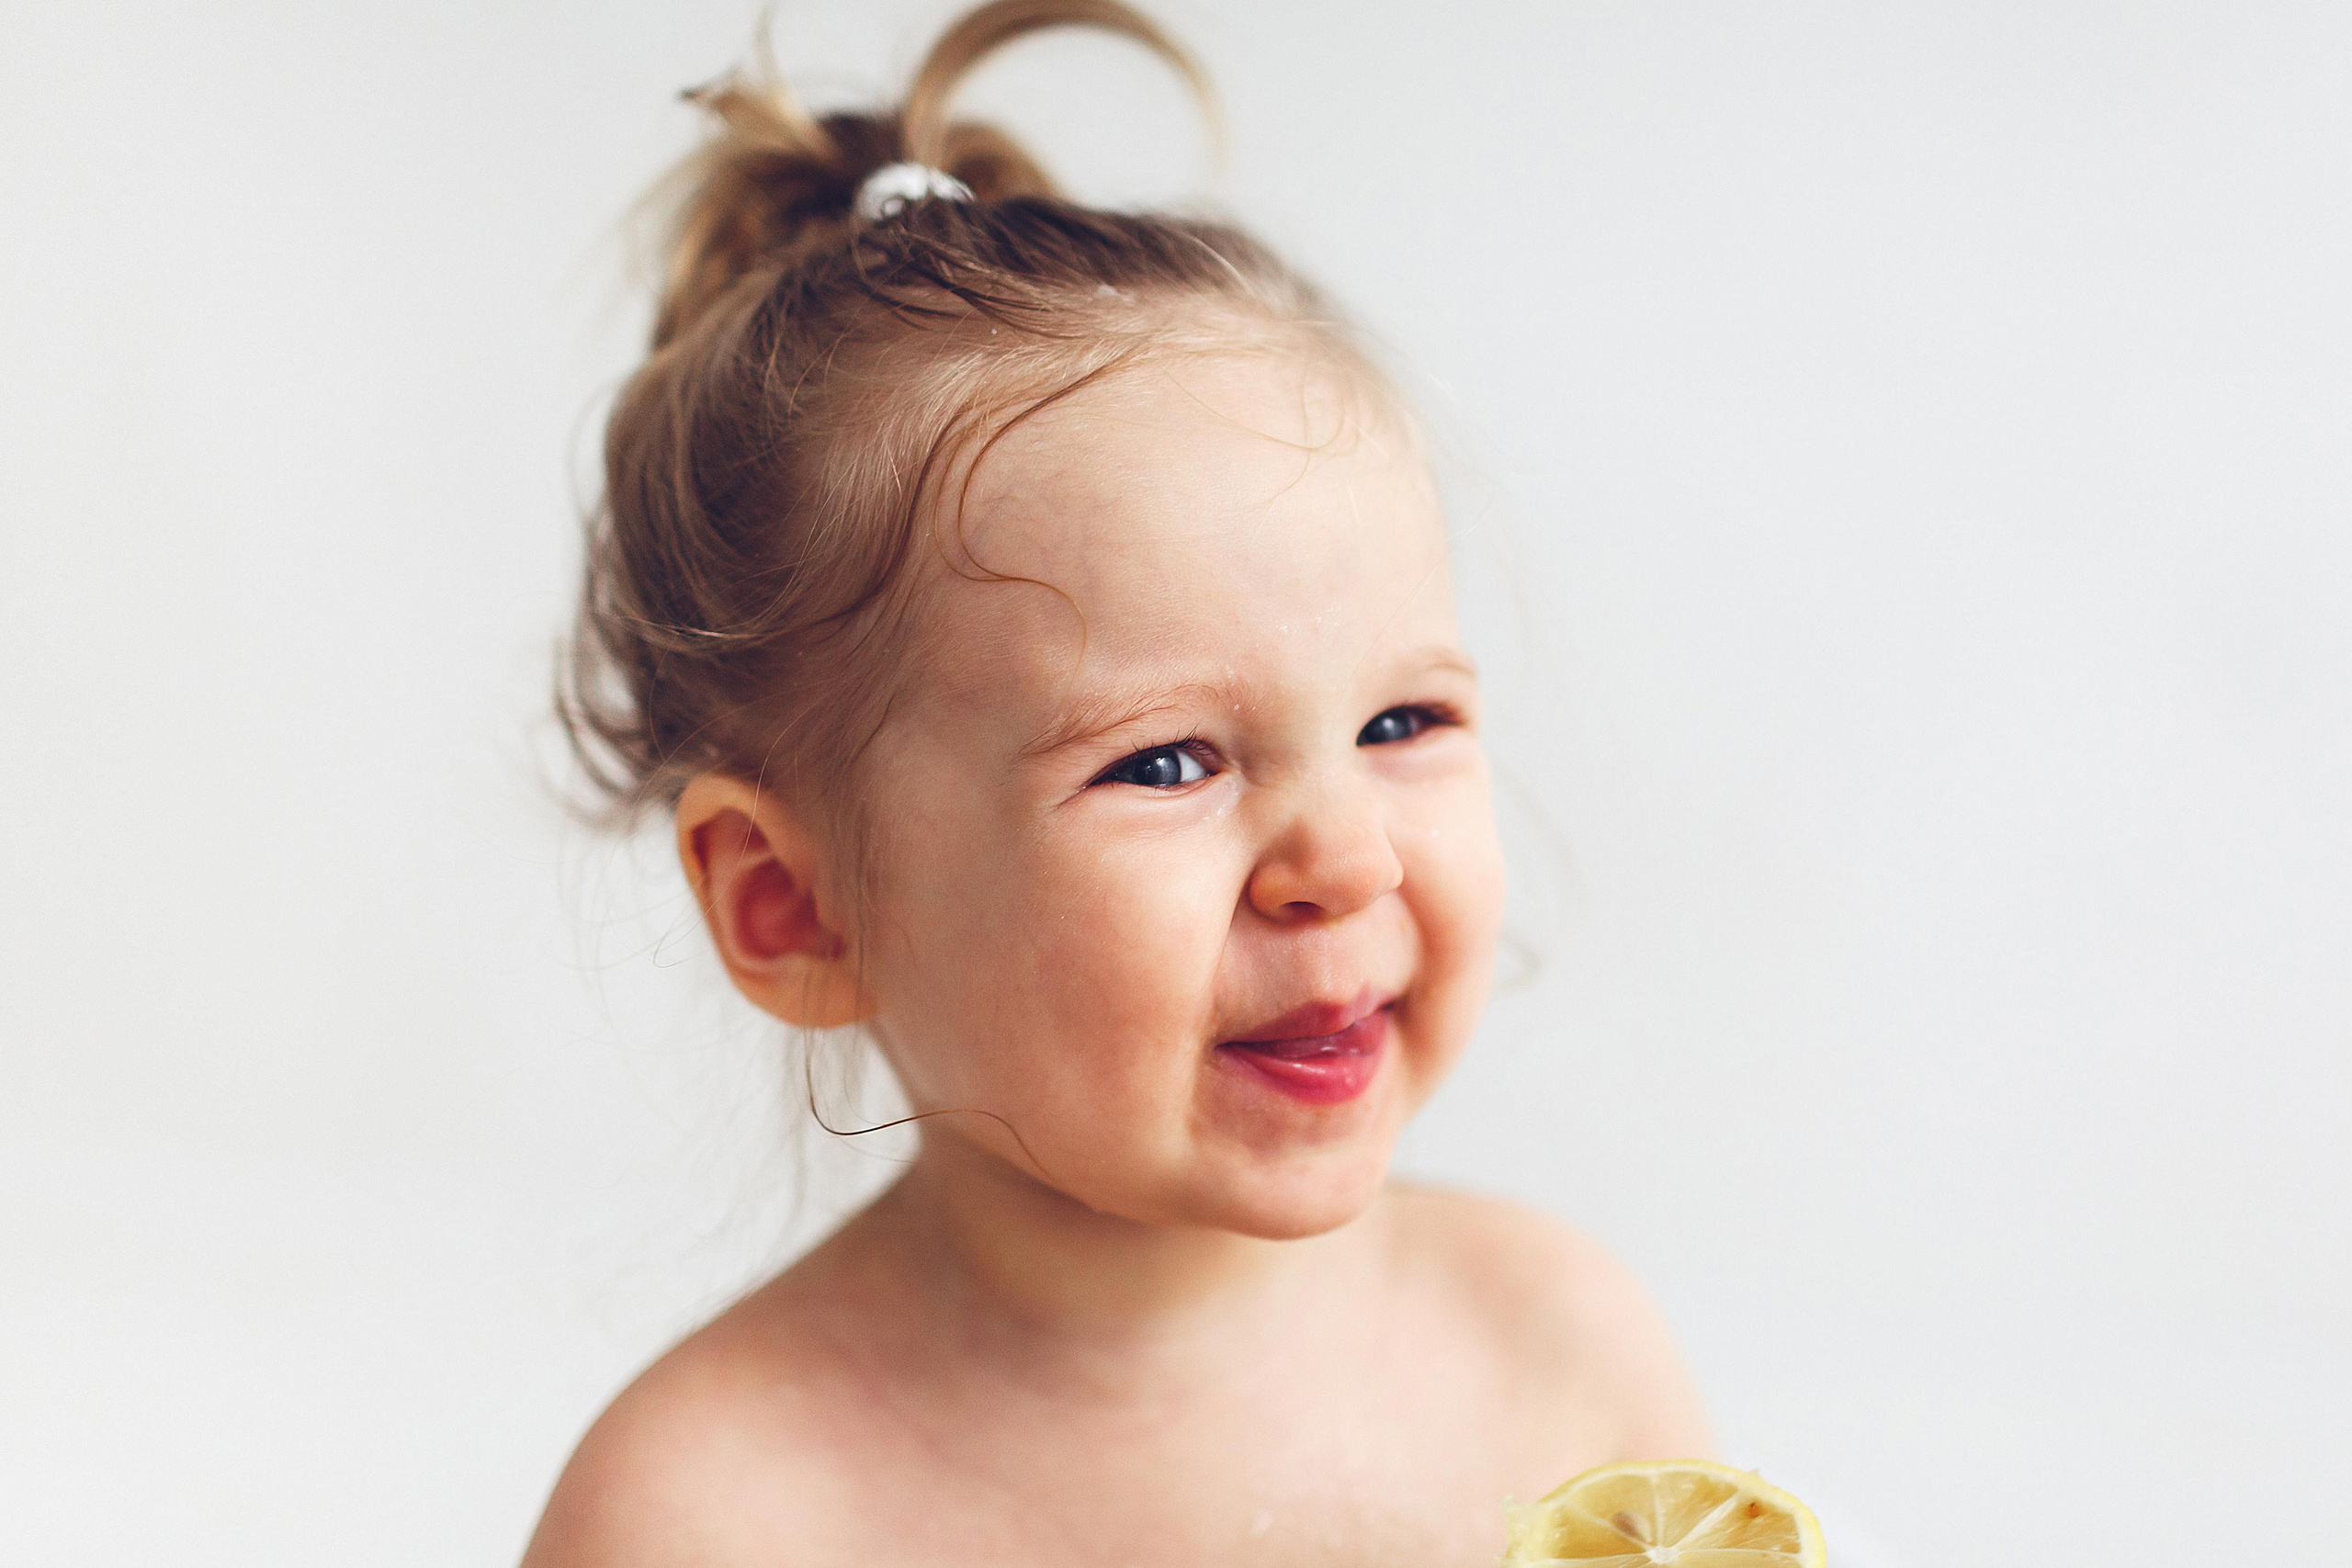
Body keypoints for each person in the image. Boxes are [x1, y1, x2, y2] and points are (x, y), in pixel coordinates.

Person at [522, 3, 1713, 1562]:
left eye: (1401, 721)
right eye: (1165, 761)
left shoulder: (1561, 1358)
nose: (1347, 859)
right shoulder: (714, 1518)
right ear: (794, 906)